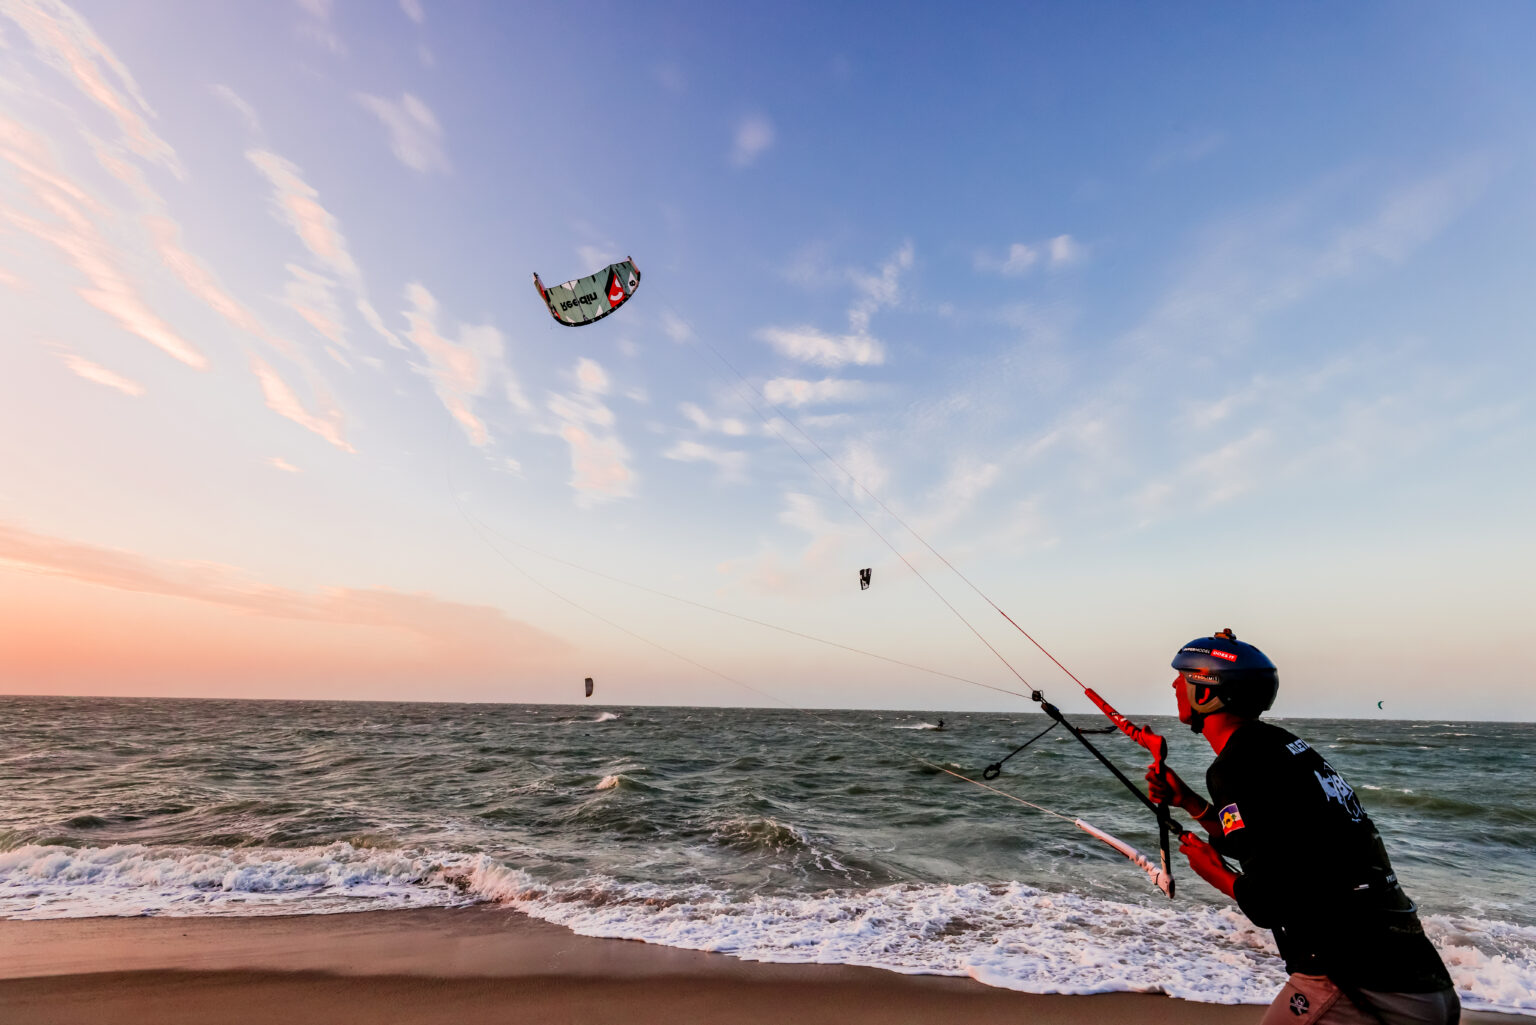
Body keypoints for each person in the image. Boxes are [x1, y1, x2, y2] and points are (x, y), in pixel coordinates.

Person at [1148, 629, 1458, 1025]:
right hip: (1421, 977)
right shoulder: (1283, 747)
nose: (1174, 685)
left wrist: (1215, 873)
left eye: (1181, 677)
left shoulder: (1235, 767)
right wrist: (1191, 803)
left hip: (1359, 982)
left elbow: (1268, 902)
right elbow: (1268, 841)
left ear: (1205, 691)